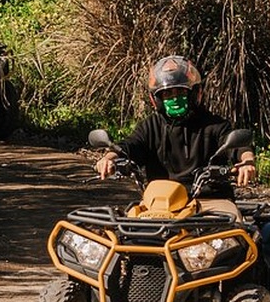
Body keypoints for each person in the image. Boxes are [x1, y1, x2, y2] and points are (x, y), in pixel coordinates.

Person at [95, 55, 257, 209]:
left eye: (180, 92)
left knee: (233, 227)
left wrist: (246, 163)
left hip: (211, 200)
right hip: (160, 203)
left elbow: (237, 147)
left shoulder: (215, 125)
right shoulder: (150, 126)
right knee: (128, 227)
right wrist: (109, 158)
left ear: (194, 93)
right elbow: (129, 146)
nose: (174, 98)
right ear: (156, 99)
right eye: (167, 94)